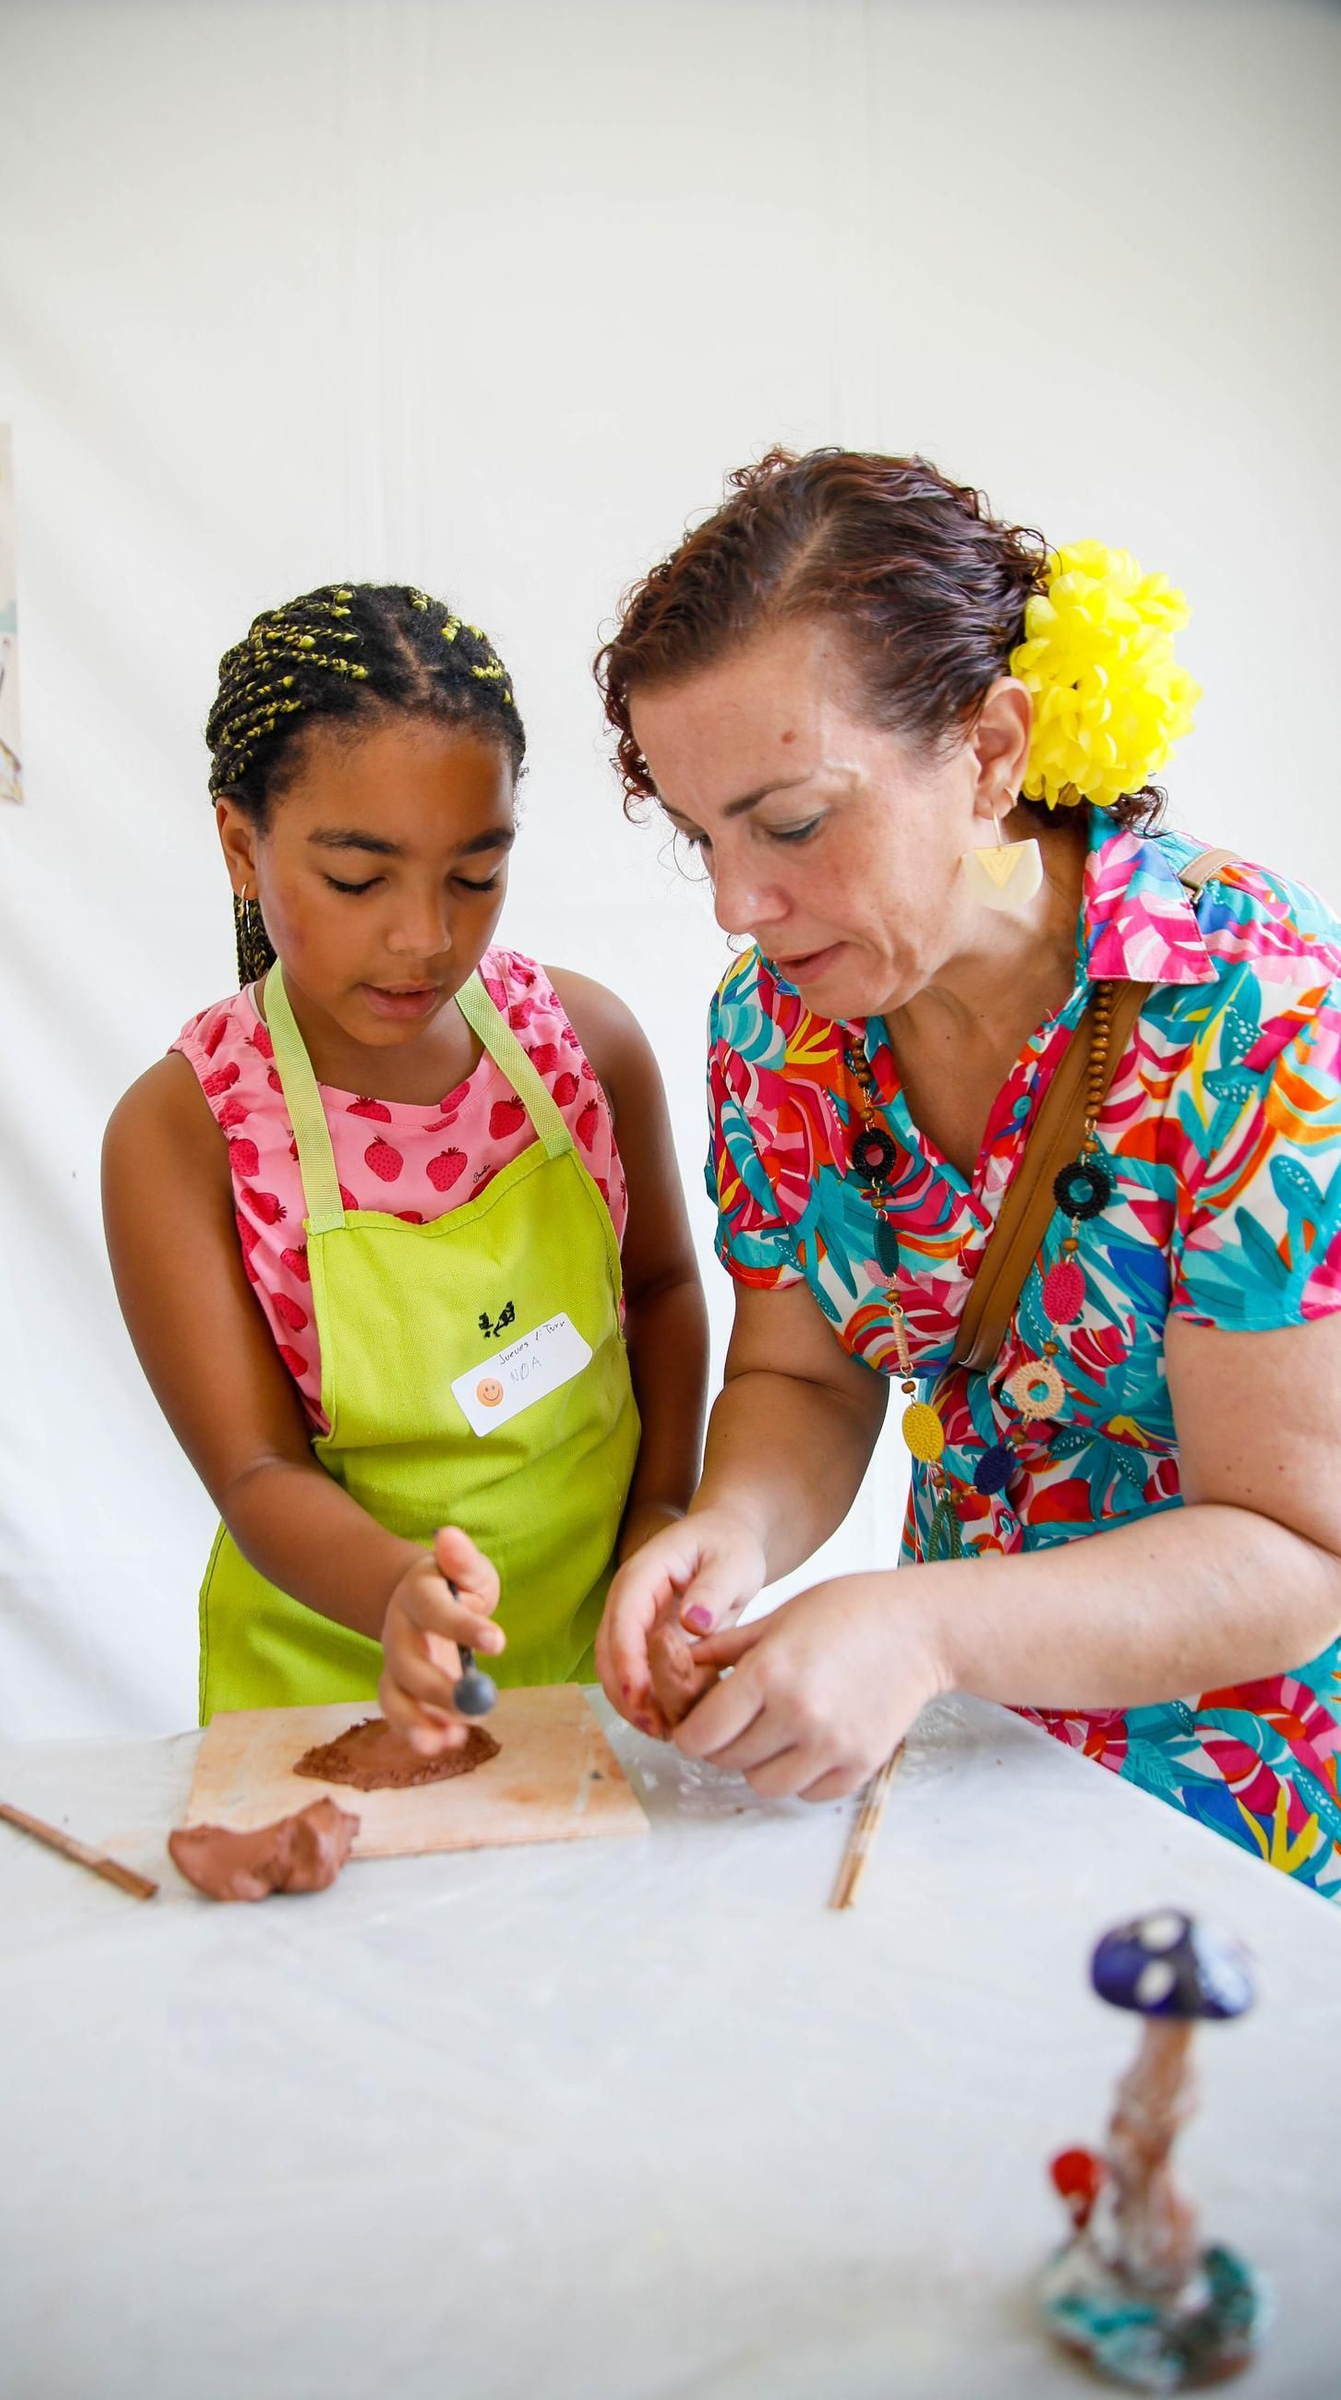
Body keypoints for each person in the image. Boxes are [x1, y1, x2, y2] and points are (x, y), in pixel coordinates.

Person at [595, 448, 1341, 1899]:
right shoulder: (778, 1031)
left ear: (993, 749)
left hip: (1253, 1825)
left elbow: (1296, 1547)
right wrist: (730, 1532)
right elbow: (804, 1381)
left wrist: (921, 1627)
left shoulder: (1256, 1017)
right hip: (970, 1776)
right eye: (703, 836)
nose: (740, 904)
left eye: (794, 822)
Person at [104, 584, 706, 1748]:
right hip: (329, 1700)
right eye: (357, 879)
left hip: (605, 1671)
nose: (424, 935)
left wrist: (664, 1522)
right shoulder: (183, 1135)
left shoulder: (582, 1047)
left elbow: (666, 1293)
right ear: (242, 846)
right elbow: (258, 1468)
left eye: (474, 875)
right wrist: (396, 1595)